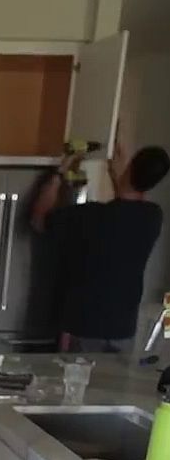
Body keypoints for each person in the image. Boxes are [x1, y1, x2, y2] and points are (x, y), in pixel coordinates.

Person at [30, 143, 170, 353]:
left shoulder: (89, 216)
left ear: (130, 168)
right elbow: (125, 208)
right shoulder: (153, 216)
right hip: (122, 329)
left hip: (82, 326)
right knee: (111, 376)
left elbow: (39, 220)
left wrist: (58, 173)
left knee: (73, 374)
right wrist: (120, 176)